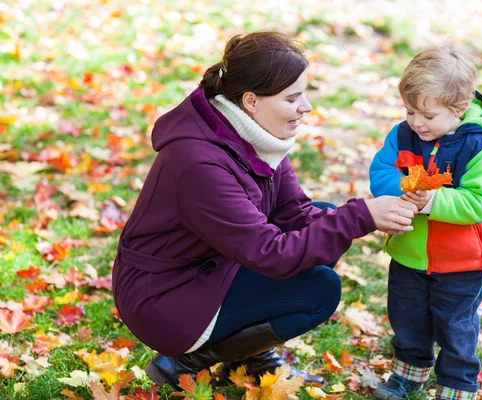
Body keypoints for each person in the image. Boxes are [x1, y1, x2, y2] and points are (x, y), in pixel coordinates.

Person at [111, 30, 418, 390]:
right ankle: (186, 360)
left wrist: (357, 217)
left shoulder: (250, 133)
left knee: (321, 217)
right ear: (252, 100)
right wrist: (361, 216)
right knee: (318, 290)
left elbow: (296, 214)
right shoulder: (199, 164)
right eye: (292, 98)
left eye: (305, 93)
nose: (305, 107)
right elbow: (270, 253)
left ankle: (254, 357)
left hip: (212, 263)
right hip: (162, 298)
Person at [369, 43, 482, 400]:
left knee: (455, 325)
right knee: (407, 318)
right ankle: (408, 374)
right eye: (410, 111)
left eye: (427, 115)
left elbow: (479, 203)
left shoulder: (477, 146)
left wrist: (431, 200)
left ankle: (456, 386)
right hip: (409, 251)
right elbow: (381, 173)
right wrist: (408, 188)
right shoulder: (403, 135)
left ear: (458, 109)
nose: (417, 122)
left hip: (462, 259)